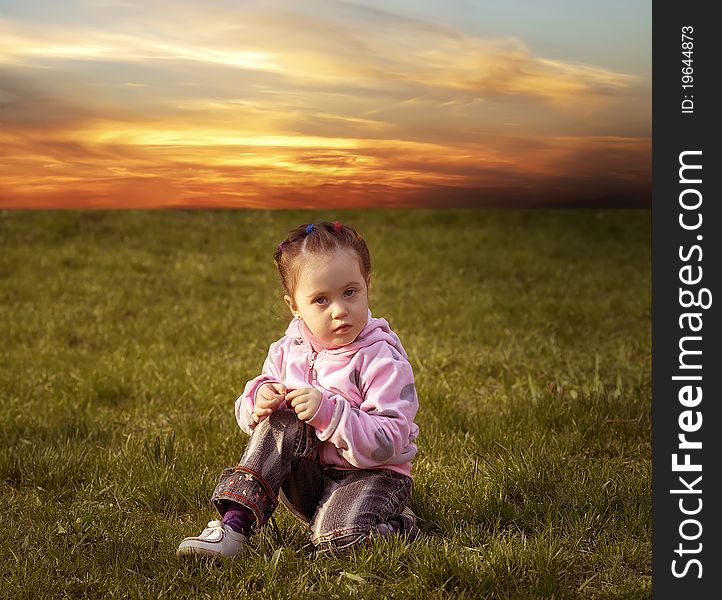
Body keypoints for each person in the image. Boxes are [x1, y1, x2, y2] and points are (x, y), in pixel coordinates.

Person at [176, 221, 420, 558]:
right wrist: (257, 400)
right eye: (320, 300)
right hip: (310, 479)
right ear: (295, 306)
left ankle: (399, 525)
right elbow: (256, 417)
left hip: (373, 476)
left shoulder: (381, 358)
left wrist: (329, 413)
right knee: (281, 417)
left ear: (367, 285)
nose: (339, 310)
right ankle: (235, 526)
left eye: (350, 292)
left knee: (337, 543)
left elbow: (387, 442)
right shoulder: (287, 349)